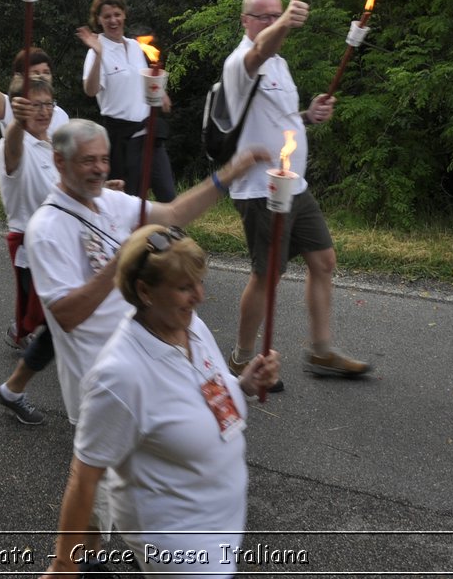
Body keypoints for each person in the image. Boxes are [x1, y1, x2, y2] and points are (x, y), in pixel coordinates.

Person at [42, 226, 278, 577]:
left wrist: (242, 383)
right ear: (145, 292)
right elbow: (84, 477)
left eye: (199, 282)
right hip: (177, 540)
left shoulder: (188, 326)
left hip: (221, 522)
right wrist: (64, 564)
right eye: (185, 287)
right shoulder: (120, 375)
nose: (199, 295)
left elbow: (204, 387)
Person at [27, 119, 270, 425]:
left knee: (205, 437)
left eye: (104, 159)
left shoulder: (109, 200)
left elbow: (174, 213)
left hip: (157, 354)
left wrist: (229, 173)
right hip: (112, 383)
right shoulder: (46, 229)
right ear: (59, 162)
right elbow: (66, 316)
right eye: (88, 160)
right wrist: (122, 259)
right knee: (123, 469)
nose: (101, 169)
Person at [222, 0, 370, 382]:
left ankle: (321, 352)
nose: (273, 22)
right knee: (266, 275)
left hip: (295, 185)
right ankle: (241, 358)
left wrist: (308, 114)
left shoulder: (281, 65)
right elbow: (259, 52)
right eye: (265, 16)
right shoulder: (240, 62)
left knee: (324, 261)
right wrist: (286, 20)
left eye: (277, 15)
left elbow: (280, 119)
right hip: (260, 189)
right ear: (245, 21)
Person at [0, 79, 59, 425]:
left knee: (61, 325)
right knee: (61, 324)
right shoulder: (14, 146)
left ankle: (14, 380)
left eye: (48, 104)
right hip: (31, 249)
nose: (43, 112)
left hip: (60, 246)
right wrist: (16, 122)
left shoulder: (53, 145)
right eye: (35, 105)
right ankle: (13, 389)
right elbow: (13, 149)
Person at [76, 0, 174, 201]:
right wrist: (99, 54)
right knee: (128, 202)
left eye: (117, 14)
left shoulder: (136, 46)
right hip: (120, 137)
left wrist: (161, 93)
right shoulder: (96, 50)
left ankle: (169, 234)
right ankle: (132, 235)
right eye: (107, 16)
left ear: (124, 15)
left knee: (167, 195)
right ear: (99, 21)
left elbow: (141, 80)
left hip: (148, 132)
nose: (113, 20)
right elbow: (90, 90)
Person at [0, 15, 69, 137]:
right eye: (35, 73)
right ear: (19, 77)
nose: (42, 77)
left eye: (46, 72)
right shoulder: (14, 106)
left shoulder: (61, 115)